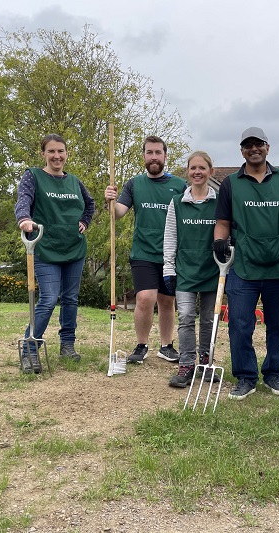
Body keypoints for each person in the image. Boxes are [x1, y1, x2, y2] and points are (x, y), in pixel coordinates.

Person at [213, 127, 279, 400]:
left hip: (278, 264)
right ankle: (245, 376)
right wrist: (220, 241)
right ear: (241, 151)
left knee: (278, 324)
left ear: (267, 147)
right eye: (247, 146)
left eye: (258, 144)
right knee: (240, 324)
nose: (253, 149)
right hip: (243, 265)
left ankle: (273, 373)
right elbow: (222, 222)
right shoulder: (231, 183)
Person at [15, 134, 96, 371]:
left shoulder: (75, 182)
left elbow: (90, 204)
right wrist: (24, 218)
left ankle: (67, 345)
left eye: (61, 151)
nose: (56, 156)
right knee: (49, 299)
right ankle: (30, 350)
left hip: (74, 248)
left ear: (67, 153)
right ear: (43, 154)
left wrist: (85, 221)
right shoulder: (33, 176)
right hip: (45, 249)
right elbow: (23, 200)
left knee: (70, 299)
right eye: (51, 151)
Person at [104, 136, 186, 364]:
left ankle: (167, 346)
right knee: (144, 298)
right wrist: (109, 201)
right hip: (143, 252)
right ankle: (141, 345)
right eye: (149, 153)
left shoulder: (179, 185)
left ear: (165, 156)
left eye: (158, 153)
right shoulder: (134, 184)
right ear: (144, 156)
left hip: (171, 254)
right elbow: (118, 213)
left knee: (167, 302)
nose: (154, 157)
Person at [163, 151, 222, 387]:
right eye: (193, 168)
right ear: (188, 172)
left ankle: (206, 363)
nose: (197, 172)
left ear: (210, 171)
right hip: (185, 270)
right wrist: (168, 267)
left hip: (212, 270)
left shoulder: (219, 203)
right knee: (186, 317)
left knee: (208, 320)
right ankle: (186, 364)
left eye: (202, 168)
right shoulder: (177, 202)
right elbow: (170, 236)